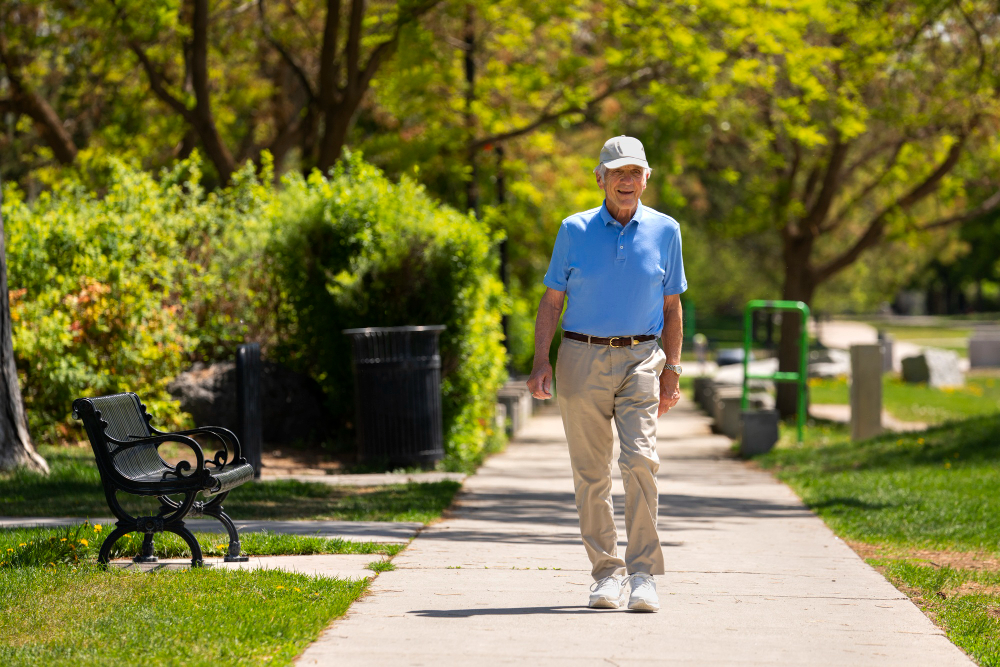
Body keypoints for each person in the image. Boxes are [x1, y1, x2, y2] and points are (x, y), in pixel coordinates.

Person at [526, 135, 686, 613]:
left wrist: (673, 370)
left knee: (640, 461)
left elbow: (672, 307)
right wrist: (540, 361)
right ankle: (605, 575)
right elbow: (552, 301)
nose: (626, 180)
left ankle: (643, 575)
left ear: (646, 179)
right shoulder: (573, 230)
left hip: (642, 358)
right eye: (617, 172)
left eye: (635, 172)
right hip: (581, 357)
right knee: (591, 472)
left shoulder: (667, 231)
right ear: (600, 178)